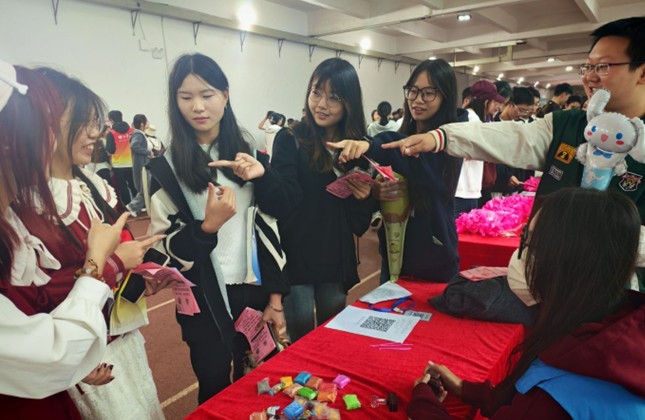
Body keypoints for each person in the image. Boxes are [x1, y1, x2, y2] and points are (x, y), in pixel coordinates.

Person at [384, 16, 645, 288]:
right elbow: (512, 137)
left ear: (642, 72)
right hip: (547, 280)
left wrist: (578, 231)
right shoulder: (567, 125)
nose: (589, 77)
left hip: (622, 292)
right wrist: (441, 137)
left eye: (603, 66)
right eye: (588, 66)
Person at [408, 188, 645, 419]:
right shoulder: (617, 326)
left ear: (567, 264)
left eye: (531, 245)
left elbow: (537, 407)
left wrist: (423, 404)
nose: (520, 256)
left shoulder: (556, 399)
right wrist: (464, 389)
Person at [146, 53, 288, 403]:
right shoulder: (165, 169)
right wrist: (207, 227)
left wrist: (275, 298)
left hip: (253, 290)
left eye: (207, 94)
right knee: (214, 387)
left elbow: (274, 223)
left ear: (225, 95)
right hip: (203, 299)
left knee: (258, 381)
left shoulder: (249, 154)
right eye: (185, 97)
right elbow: (164, 248)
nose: (197, 107)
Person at [0, 61, 128, 418]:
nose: (94, 133)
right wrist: (106, 265)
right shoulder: (27, 209)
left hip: (91, 346)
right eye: (46, 126)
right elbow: (46, 347)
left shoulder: (92, 186)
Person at [35, 67, 165, 419]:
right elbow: (38, 297)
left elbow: (120, 245)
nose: (95, 132)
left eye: (94, 122)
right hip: (78, 350)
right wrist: (115, 264)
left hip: (121, 335)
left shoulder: (94, 185)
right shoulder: (32, 204)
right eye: (81, 122)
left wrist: (142, 274)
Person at [266, 57, 374, 342]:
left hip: (335, 259)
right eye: (316, 92)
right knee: (301, 336)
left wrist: (363, 197)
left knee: (333, 336)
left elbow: (358, 224)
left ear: (349, 103)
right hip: (297, 255)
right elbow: (283, 202)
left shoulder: (356, 147)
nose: (321, 104)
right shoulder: (290, 138)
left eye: (334, 97)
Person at [332, 58, 464, 283]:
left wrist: (372, 145)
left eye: (428, 93)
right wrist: (376, 192)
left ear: (446, 96)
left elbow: (418, 165)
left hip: (435, 260)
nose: (417, 100)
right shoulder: (403, 133)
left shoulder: (451, 141)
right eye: (413, 91)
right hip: (394, 256)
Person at [105, 110, 135, 206]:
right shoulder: (132, 131)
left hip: (118, 165)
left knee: (123, 187)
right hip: (132, 163)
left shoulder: (111, 133)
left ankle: (128, 207)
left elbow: (111, 150)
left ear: (111, 120)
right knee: (134, 185)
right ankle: (140, 206)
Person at [126, 113, 153, 217]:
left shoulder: (140, 134)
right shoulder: (138, 134)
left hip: (144, 163)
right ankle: (133, 206)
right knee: (145, 187)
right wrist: (148, 152)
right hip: (142, 165)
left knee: (145, 187)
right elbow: (134, 146)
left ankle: (137, 206)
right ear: (142, 124)